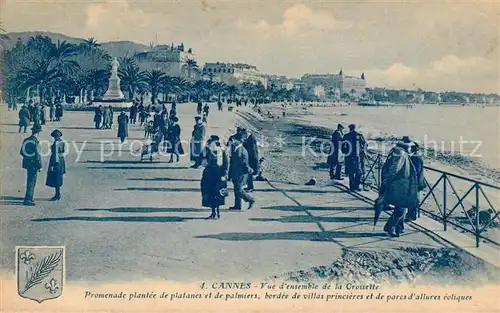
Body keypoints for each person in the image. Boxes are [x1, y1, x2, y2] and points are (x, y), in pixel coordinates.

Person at [380, 139, 419, 237]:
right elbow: (394, 169)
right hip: (400, 185)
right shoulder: (401, 155)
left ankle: (399, 228)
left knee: (402, 207)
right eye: (410, 146)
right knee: (400, 208)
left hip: (400, 184)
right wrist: (389, 180)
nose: (411, 148)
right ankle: (390, 226)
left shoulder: (396, 152)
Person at [200, 135, 229, 219]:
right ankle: (216, 212)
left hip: (212, 176)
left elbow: (203, 163)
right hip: (217, 176)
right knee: (216, 194)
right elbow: (226, 164)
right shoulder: (220, 151)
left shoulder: (211, 151)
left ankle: (215, 212)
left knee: (213, 194)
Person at [228, 138, 255, 211]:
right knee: (237, 189)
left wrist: (248, 171)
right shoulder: (237, 149)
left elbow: (244, 163)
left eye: (234, 140)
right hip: (236, 173)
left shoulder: (241, 150)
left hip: (240, 173)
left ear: (239, 141)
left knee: (238, 189)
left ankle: (250, 199)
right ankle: (237, 205)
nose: (232, 142)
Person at [20, 124, 43, 206]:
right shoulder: (35, 142)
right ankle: (28, 199)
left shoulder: (26, 140)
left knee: (29, 180)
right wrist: (39, 166)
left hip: (28, 164)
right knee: (32, 181)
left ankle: (29, 197)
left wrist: (28, 158)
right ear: (38, 133)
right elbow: (37, 155)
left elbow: (21, 152)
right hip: (34, 164)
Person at [342, 124, 366, 191]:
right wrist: (363, 151)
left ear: (349, 128)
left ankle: (352, 186)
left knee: (351, 171)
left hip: (349, 156)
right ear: (355, 128)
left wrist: (345, 152)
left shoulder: (346, 136)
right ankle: (356, 185)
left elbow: (342, 146)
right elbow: (365, 144)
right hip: (358, 157)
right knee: (359, 171)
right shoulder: (359, 135)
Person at [407, 139, 425, 221]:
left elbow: (416, 171)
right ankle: (412, 214)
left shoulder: (416, 157)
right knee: (413, 198)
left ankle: (412, 215)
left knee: (413, 198)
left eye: (412, 147)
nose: (410, 148)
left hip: (415, 181)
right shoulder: (416, 156)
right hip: (415, 181)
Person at [46, 129, 66, 201]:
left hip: (56, 161)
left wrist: (53, 165)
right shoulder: (62, 142)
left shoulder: (56, 142)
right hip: (61, 160)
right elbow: (62, 151)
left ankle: (57, 194)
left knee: (56, 178)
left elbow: (56, 154)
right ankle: (58, 193)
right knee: (59, 177)